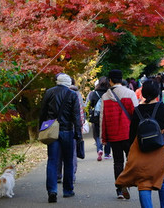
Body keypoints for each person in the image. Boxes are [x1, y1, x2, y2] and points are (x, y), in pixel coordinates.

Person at [116, 79, 164, 208]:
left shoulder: (137, 111)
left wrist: (131, 154)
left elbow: (132, 135)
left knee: (143, 182)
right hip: (160, 149)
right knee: (163, 178)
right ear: (157, 93)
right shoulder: (163, 108)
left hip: (142, 149)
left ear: (143, 93)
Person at [39, 73, 83, 203]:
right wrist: (78, 134)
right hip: (67, 131)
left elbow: (43, 112)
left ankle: (52, 190)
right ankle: (68, 190)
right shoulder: (72, 94)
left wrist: (41, 129)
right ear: (68, 83)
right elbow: (76, 116)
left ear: (57, 81)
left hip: (52, 130)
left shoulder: (49, 92)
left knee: (52, 160)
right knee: (68, 160)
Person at [100, 69, 138, 199]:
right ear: (121, 79)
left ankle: (120, 189)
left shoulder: (105, 96)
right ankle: (131, 181)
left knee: (117, 162)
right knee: (131, 159)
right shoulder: (130, 93)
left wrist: (103, 138)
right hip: (128, 134)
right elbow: (136, 115)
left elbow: (102, 119)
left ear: (110, 81)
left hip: (113, 135)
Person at [57, 77, 85, 183]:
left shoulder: (54, 92)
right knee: (71, 154)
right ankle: (71, 175)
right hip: (71, 127)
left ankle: (58, 174)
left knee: (58, 153)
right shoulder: (76, 94)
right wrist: (79, 129)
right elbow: (79, 113)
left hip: (56, 127)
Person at [86, 76, 112, 161]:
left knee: (97, 134)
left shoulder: (94, 93)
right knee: (108, 134)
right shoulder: (110, 92)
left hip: (97, 116)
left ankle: (99, 149)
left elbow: (91, 104)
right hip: (108, 116)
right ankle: (107, 153)